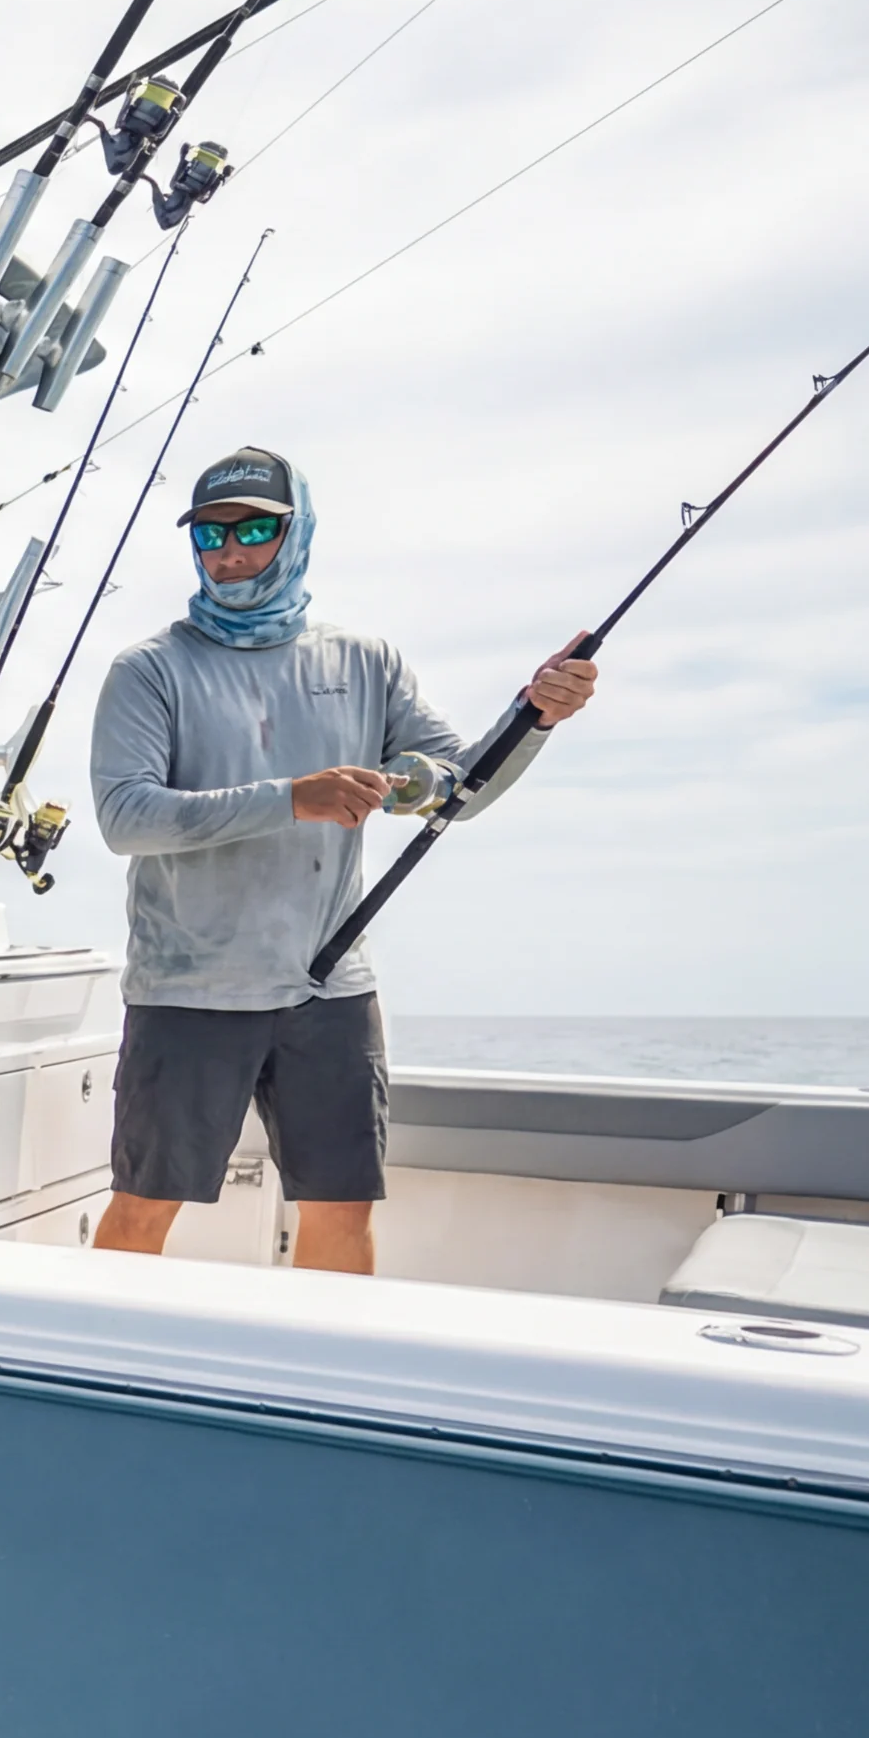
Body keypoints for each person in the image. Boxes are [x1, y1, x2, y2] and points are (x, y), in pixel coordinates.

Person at [84, 446, 599, 1274]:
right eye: (210, 535)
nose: (230, 551)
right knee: (145, 1205)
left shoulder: (366, 662)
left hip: (330, 989)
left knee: (342, 1208)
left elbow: (462, 790)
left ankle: (317, 1387)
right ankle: (86, 1370)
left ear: (297, 535)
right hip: (189, 987)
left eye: (254, 529)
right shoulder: (150, 671)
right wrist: (293, 797)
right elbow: (126, 817)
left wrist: (533, 717)